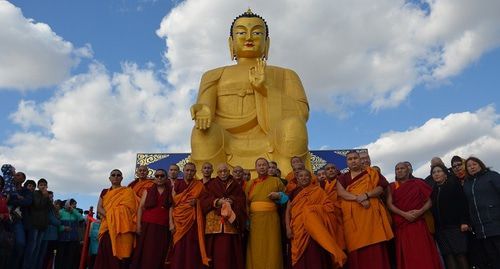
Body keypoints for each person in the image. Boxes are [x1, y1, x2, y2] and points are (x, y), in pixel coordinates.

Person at [190, 9, 310, 177]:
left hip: (272, 141)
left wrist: (266, 88)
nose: (248, 38)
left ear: (267, 43)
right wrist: (202, 111)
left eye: (257, 32)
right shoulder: (213, 75)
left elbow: (301, 114)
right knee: (202, 132)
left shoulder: (285, 74)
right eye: (241, 32)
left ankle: (287, 182)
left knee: (294, 127)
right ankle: (212, 186)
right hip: (226, 141)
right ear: (231, 43)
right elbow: (205, 107)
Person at [336, 151, 393, 269]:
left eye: (355, 158)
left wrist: (367, 195)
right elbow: (341, 193)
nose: (353, 161)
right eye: (350, 159)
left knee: (376, 251)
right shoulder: (343, 177)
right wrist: (358, 198)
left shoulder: (371, 173)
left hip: (371, 217)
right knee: (356, 250)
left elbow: (380, 188)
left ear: (360, 159)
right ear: (347, 162)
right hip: (353, 221)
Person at [386, 162, 443, 269]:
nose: (399, 170)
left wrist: (420, 211)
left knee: (423, 252)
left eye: (402, 168)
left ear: (408, 171)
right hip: (403, 226)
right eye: (397, 169)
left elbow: (429, 201)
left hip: (419, 225)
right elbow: (389, 204)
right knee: (408, 254)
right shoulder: (392, 186)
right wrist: (404, 214)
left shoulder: (418, 183)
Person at [286, 170, 346, 268]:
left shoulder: (318, 191)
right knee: (299, 258)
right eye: (301, 176)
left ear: (310, 178)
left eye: (306, 176)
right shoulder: (293, 193)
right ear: (297, 179)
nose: (304, 178)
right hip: (298, 229)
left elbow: (329, 207)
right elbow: (288, 211)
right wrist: (288, 228)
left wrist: (313, 209)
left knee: (315, 255)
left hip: (315, 228)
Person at [200, 163, 247, 269]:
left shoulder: (235, 184)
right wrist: (216, 201)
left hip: (230, 222)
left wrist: (232, 200)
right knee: (215, 251)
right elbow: (203, 200)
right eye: (220, 171)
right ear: (217, 173)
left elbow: (242, 199)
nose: (223, 173)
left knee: (229, 251)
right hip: (215, 222)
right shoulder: (211, 184)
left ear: (229, 172)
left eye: (225, 171)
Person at [245, 158, 286, 269]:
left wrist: (279, 196)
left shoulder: (276, 181)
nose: (262, 167)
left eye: (264, 165)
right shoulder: (250, 183)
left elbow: (287, 199)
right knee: (256, 247)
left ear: (268, 167)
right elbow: (246, 203)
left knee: (272, 247)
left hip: (271, 219)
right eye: (259, 165)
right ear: (256, 168)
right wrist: (247, 220)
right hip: (255, 221)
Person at [168, 162, 209, 269]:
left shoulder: (199, 186)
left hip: (193, 221)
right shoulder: (177, 184)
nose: (189, 172)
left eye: (192, 170)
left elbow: (205, 202)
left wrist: (197, 202)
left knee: (192, 247)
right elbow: (172, 204)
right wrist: (171, 223)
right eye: (187, 170)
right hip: (178, 220)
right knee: (178, 247)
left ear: (195, 172)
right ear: (183, 171)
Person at [94, 169, 137, 269]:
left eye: (118, 175)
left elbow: (132, 209)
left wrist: (114, 216)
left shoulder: (128, 191)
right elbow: (99, 208)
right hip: (107, 227)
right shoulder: (105, 192)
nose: (116, 177)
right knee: (106, 254)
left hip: (124, 228)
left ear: (122, 178)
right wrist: (110, 217)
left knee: (123, 256)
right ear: (109, 178)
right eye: (113, 175)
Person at [130, 169, 172, 269]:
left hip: (163, 225)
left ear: (166, 178)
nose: (159, 178)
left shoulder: (171, 191)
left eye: (162, 176)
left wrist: (171, 223)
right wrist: (139, 225)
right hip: (148, 224)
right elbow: (141, 207)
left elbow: (171, 207)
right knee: (146, 250)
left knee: (160, 250)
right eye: (157, 176)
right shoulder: (148, 191)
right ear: (154, 178)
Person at [463, 156, 500, 268]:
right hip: (481, 229)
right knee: (493, 259)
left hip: (496, 224)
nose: (472, 167)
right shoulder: (467, 184)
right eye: (469, 166)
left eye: (474, 164)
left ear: (480, 164)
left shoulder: (492, 176)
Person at [430, 164, 469, 269]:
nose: (436, 174)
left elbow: (463, 204)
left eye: (439, 171)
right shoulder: (432, 191)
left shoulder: (453, 185)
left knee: (460, 254)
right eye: (434, 172)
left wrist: (464, 221)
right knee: (448, 256)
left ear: (445, 174)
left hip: (455, 226)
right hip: (440, 229)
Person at [23, 178, 52, 269]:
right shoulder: (35, 194)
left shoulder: (47, 196)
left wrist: (48, 198)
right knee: (31, 248)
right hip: (34, 224)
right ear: (38, 186)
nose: (43, 186)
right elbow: (38, 205)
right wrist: (44, 196)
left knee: (37, 249)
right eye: (41, 185)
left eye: (45, 185)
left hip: (42, 225)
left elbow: (50, 208)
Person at [55, 198, 83, 269]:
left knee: (70, 259)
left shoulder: (75, 212)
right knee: (60, 258)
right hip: (62, 239)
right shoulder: (61, 212)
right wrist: (63, 228)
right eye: (73, 204)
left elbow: (81, 218)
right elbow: (56, 225)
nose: (74, 206)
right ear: (68, 204)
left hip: (73, 240)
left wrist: (73, 210)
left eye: (75, 205)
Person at [322, 163, 345, 250]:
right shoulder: (321, 185)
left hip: (344, 213)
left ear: (336, 170)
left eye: (333, 168)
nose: (331, 170)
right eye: (328, 169)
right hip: (330, 216)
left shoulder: (343, 181)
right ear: (325, 172)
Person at [36, 191, 60, 269]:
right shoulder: (47, 208)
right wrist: (59, 222)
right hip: (46, 235)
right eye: (49, 197)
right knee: (43, 256)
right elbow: (53, 220)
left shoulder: (52, 208)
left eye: (52, 197)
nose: (51, 199)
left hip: (52, 236)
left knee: (47, 256)